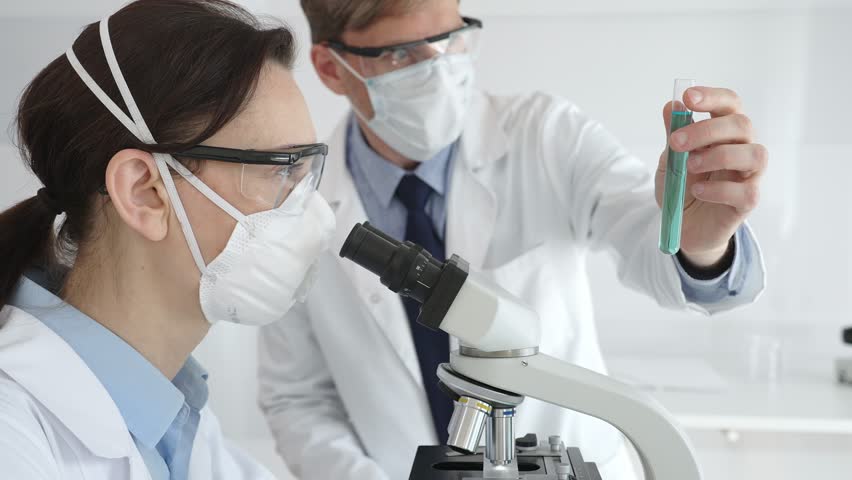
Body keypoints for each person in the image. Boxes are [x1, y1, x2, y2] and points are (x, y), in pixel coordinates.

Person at [258, 0, 769, 479]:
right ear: (330, 68)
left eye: (452, 39)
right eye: (403, 54)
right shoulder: (299, 206)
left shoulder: (545, 135)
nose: (441, 67)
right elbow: (298, 400)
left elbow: (646, 240)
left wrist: (698, 245)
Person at [0, 1, 335, 479]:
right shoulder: (13, 435)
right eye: (282, 169)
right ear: (144, 192)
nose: (312, 212)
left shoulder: (171, 418)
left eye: (308, 172)